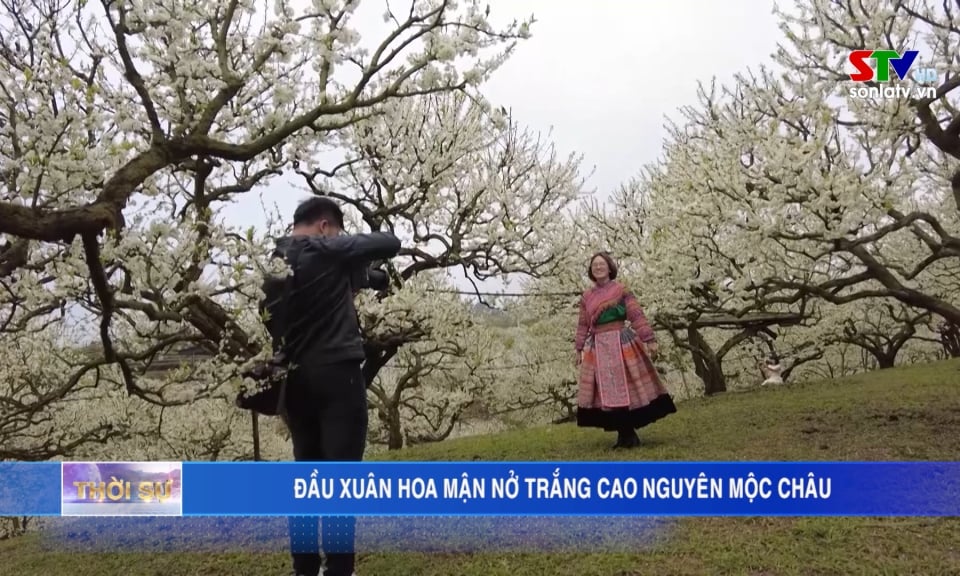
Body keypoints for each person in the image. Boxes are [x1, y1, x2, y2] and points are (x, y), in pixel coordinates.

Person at [263, 196, 401, 576]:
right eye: (335, 232)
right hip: (338, 376)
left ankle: (304, 569)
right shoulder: (324, 246)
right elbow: (390, 243)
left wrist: (360, 275)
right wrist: (337, 246)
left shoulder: (274, 262)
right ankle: (339, 569)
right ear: (325, 226)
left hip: (295, 382)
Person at [574, 252, 677, 449]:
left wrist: (649, 338)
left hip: (622, 342)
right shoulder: (587, 297)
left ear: (609, 267)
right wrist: (578, 348)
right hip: (599, 347)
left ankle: (629, 433)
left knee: (629, 387)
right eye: (594, 265)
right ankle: (623, 434)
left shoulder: (622, 290)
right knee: (607, 391)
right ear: (591, 270)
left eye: (601, 264)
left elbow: (636, 315)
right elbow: (582, 325)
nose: (598, 268)